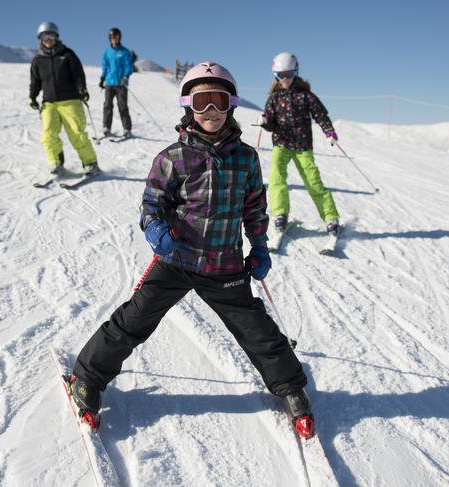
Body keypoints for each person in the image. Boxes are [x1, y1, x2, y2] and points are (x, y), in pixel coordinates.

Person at [69, 61, 316, 440]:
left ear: (232, 103)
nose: (211, 111)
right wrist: (155, 229)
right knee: (134, 320)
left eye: (218, 101)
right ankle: (87, 377)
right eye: (202, 102)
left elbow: (254, 207)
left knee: (257, 331)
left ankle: (291, 388)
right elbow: (152, 203)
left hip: (225, 264)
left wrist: (260, 245)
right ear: (189, 106)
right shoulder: (173, 157)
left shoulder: (246, 158)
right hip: (177, 260)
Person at [258, 52, 340, 235]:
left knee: (313, 181)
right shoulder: (274, 99)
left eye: (289, 74)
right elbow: (271, 124)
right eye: (281, 75)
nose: (285, 79)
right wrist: (265, 122)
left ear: (296, 72)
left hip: (303, 146)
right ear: (275, 76)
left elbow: (321, 115)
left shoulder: (306, 96)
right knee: (276, 178)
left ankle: (330, 217)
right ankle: (280, 213)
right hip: (281, 144)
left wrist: (329, 132)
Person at [29, 22, 99, 176]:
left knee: (76, 133)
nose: (48, 39)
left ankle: (90, 163)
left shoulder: (67, 54)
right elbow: (35, 81)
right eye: (44, 36)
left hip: (70, 101)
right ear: (40, 39)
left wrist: (83, 89)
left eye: (51, 35)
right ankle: (55, 163)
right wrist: (32, 97)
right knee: (48, 134)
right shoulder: (38, 60)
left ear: (56, 37)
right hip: (49, 102)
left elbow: (78, 74)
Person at [99, 27, 134, 138]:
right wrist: (102, 78)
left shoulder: (125, 52)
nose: (115, 39)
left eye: (116, 37)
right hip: (110, 83)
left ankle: (127, 129)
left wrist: (125, 76)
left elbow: (129, 66)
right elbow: (105, 67)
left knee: (122, 106)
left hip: (121, 84)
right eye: (113, 37)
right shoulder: (107, 52)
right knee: (107, 105)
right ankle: (106, 128)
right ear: (110, 38)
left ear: (119, 37)